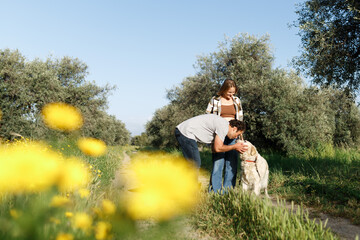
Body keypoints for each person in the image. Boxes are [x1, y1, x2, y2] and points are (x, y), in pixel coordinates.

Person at [206, 79, 243, 193]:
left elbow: (240, 119)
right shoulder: (215, 100)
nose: (231, 95)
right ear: (223, 90)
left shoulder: (236, 101)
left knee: (231, 164)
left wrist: (240, 137)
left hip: (233, 135)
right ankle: (215, 192)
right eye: (229, 92)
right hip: (219, 134)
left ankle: (228, 192)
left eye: (233, 92)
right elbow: (208, 117)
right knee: (218, 163)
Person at [174, 114, 247, 170]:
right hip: (185, 132)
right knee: (194, 164)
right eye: (237, 134)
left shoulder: (223, 124)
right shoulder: (224, 127)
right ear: (234, 129)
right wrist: (234, 146)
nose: (236, 137)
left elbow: (214, 149)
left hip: (183, 131)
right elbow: (217, 148)